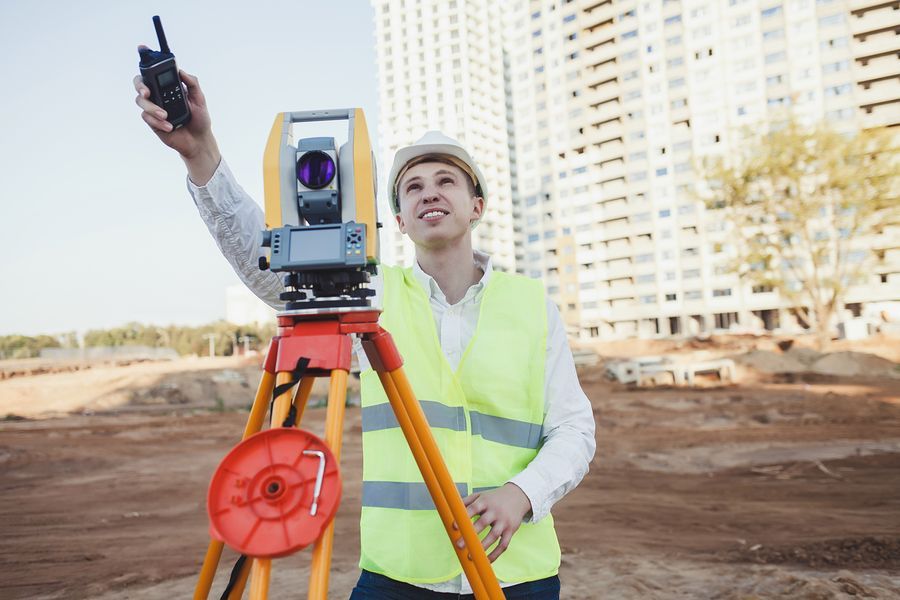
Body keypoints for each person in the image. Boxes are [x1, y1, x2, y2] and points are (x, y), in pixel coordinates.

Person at [133, 68, 595, 600]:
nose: (429, 193)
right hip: (398, 575)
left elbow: (574, 430)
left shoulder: (532, 304)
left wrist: (522, 494)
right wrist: (200, 154)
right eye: (413, 187)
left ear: (477, 206)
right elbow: (271, 268)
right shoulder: (372, 297)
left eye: (446, 180)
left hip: (517, 574)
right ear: (398, 220)